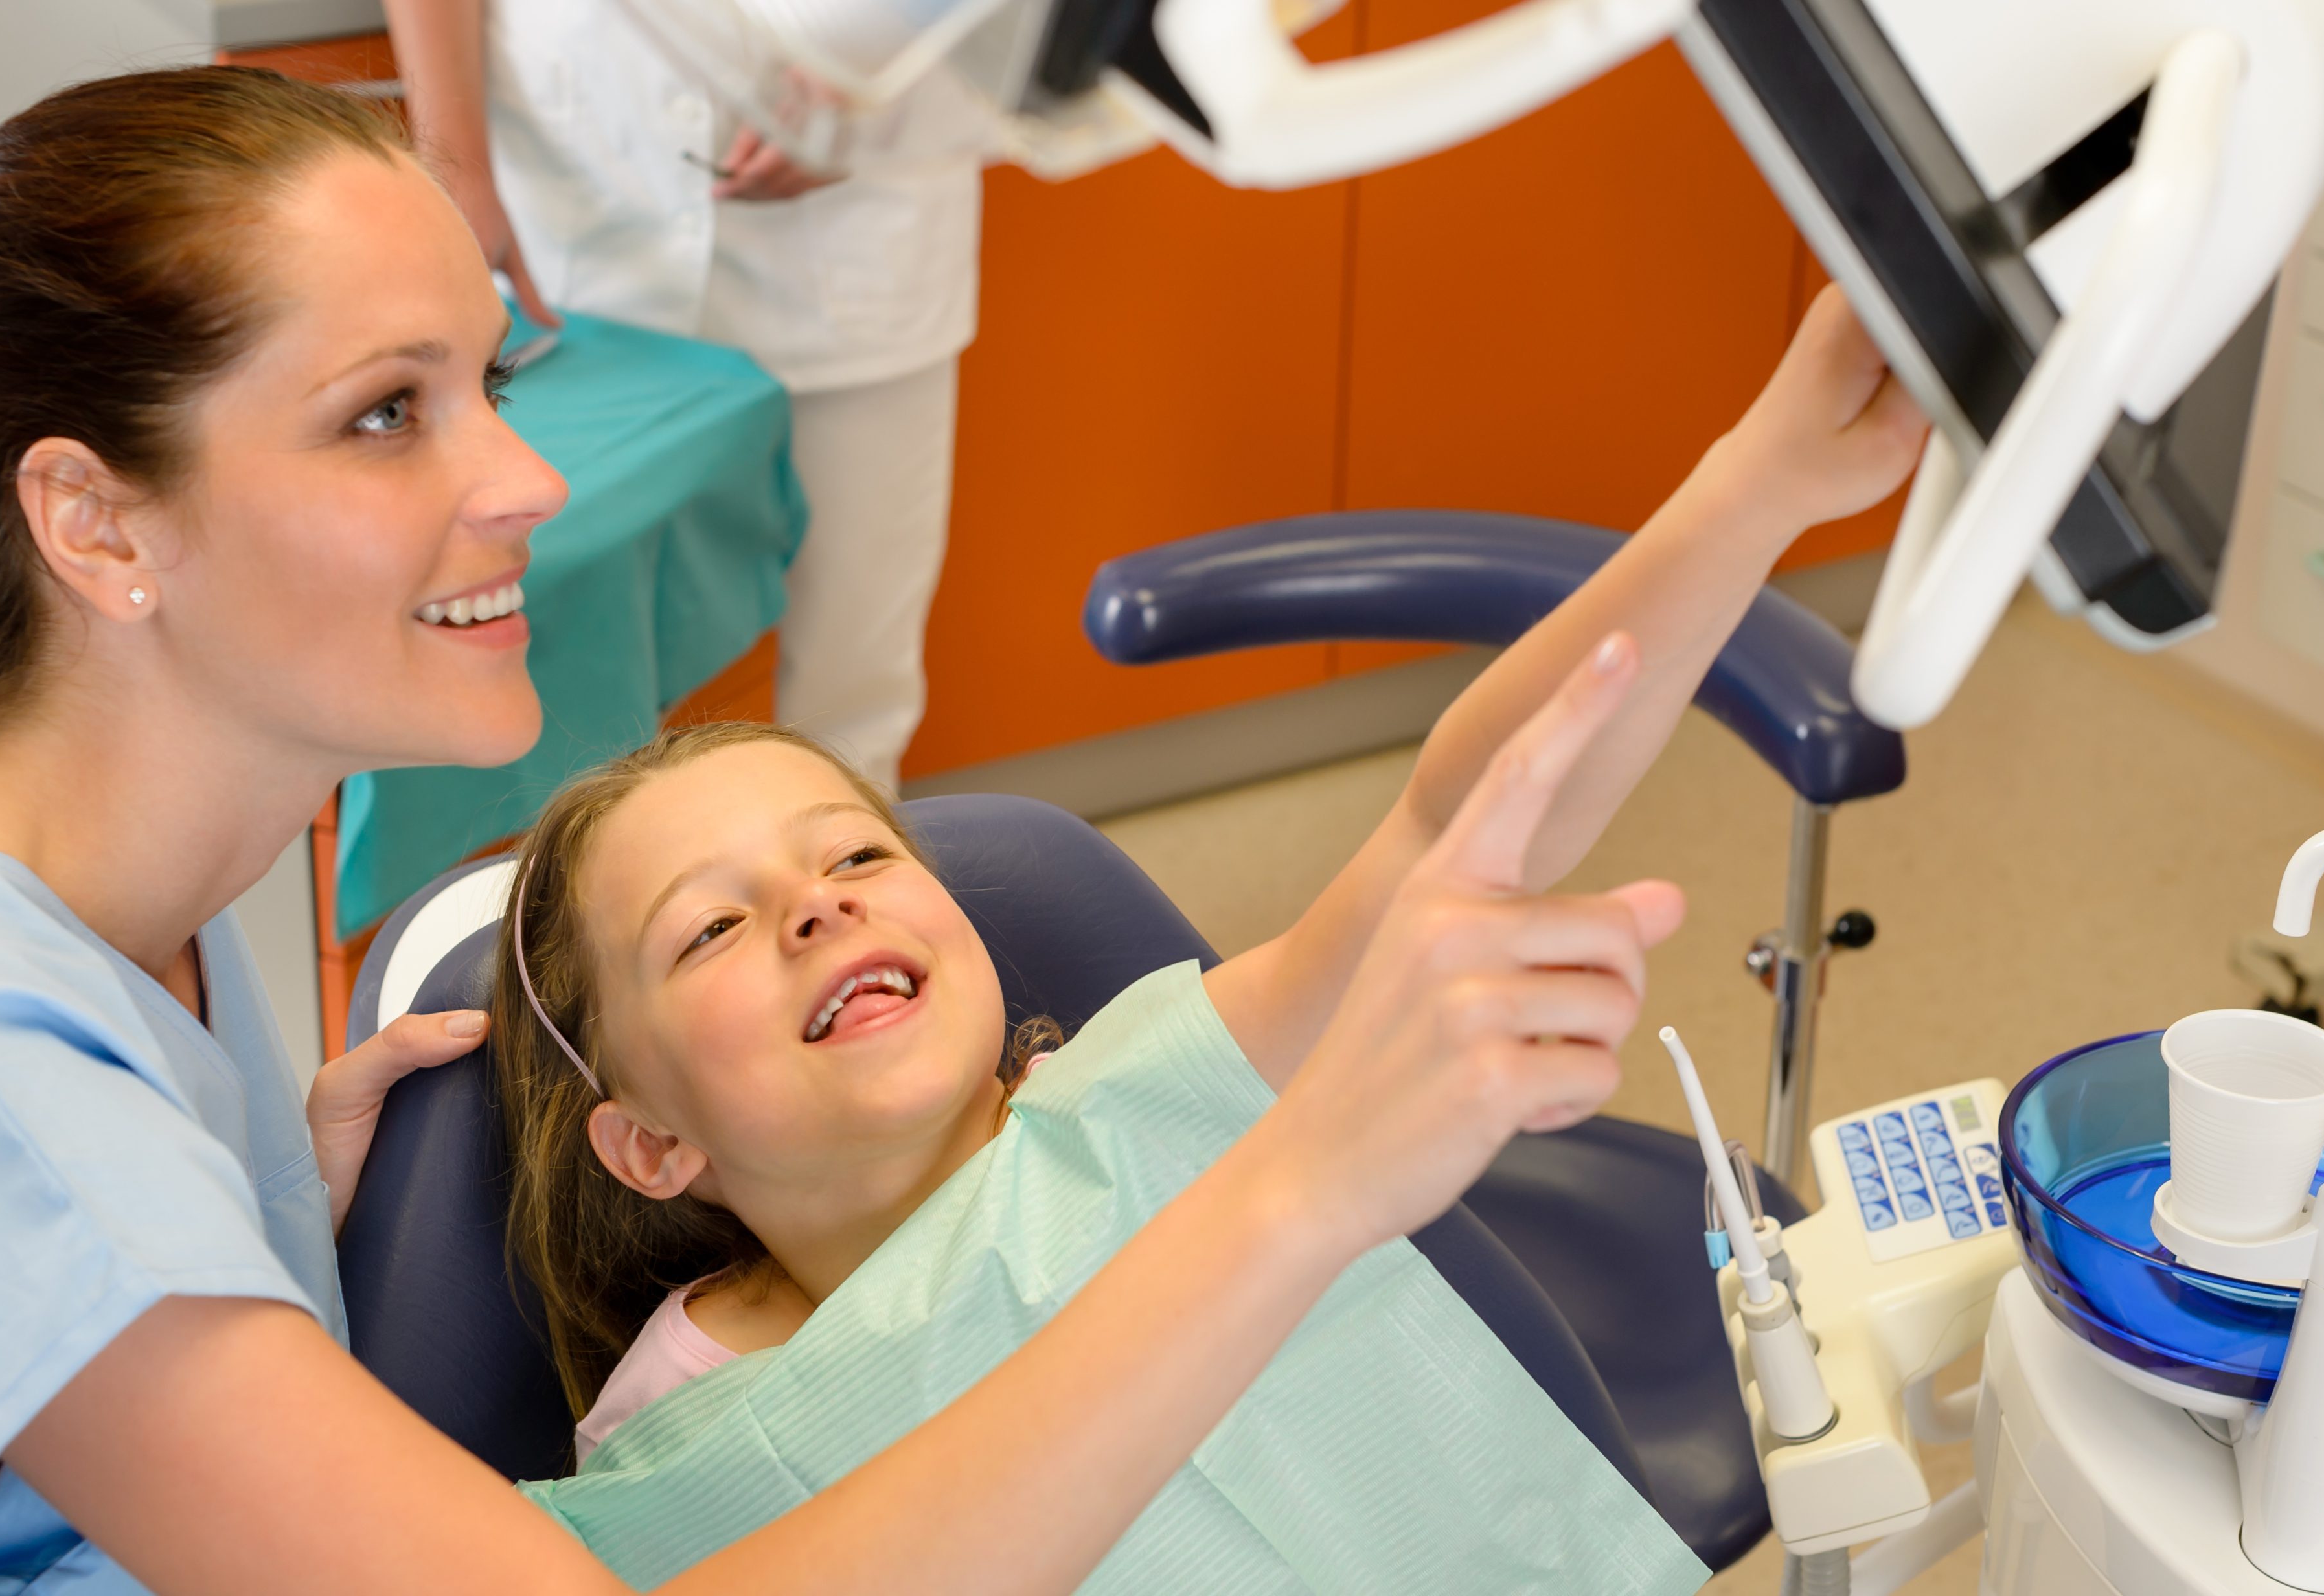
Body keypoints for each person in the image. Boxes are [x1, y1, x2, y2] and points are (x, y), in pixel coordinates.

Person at [0, 67, 1913, 1596]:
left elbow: (1448, 810)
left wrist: (1767, 479)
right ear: (95, 523)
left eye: (484, 380)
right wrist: (1300, 1185)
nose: (522, 480)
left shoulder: (153, 872)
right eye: (384, 415)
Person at [481, 289, 1926, 1590]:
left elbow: (1444, 822)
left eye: (857, 853)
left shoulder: (1137, 1102)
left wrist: (1762, 478)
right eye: (712, 927)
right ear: (648, 1142)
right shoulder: (673, 1452)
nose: (819, 903)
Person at [387, 0, 990, 791]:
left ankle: (841, 860)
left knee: (853, 679)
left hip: (856, 237)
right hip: (577, 213)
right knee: (562, 677)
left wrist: (882, 82)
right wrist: (456, 170)